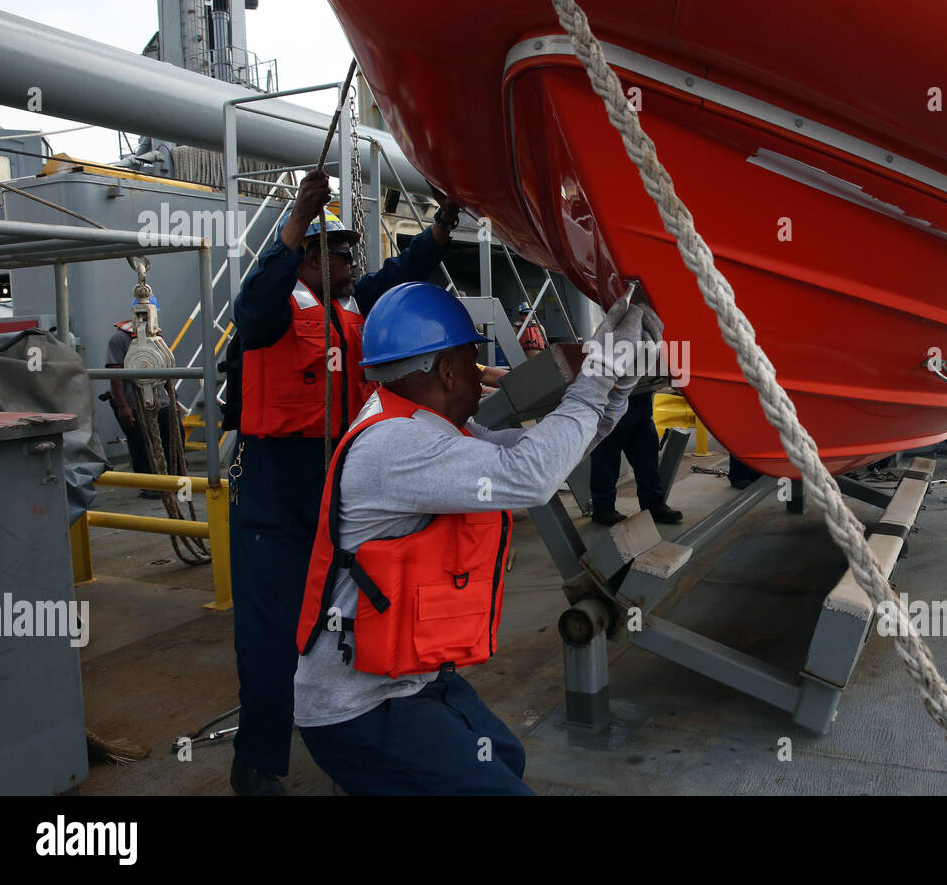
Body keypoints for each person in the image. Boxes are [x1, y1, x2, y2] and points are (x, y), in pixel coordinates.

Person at [292, 282, 658, 794]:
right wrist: (595, 377)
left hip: (410, 678)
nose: (478, 376)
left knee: (505, 757)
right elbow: (530, 474)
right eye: (472, 362)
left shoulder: (428, 427)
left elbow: (540, 449)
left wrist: (617, 387)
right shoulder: (397, 446)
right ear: (445, 369)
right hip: (359, 706)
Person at [227, 168, 474, 796]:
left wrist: (442, 226)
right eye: (336, 251)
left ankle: (356, 723)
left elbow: (400, 275)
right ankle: (256, 763)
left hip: (336, 473)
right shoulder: (275, 308)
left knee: (343, 609)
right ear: (309, 256)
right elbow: (250, 310)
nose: (348, 261)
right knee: (271, 627)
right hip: (275, 485)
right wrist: (296, 218)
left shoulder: (350, 307)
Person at [105, 294, 183, 497]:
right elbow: (115, 375)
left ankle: (177, 481)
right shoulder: (119, 339)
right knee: (141, 444)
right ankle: (148, 486)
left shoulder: (156, 336)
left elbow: (167, 370)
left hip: (161, 400)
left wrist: (174, 401)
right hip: (134, 403)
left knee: (175, 436)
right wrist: (122, 406)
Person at [589, 390, 682, 526]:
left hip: (640, 408)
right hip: (609, 410)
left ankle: (654, 505)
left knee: (647, 460)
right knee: (605, 463)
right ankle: (603, 509)